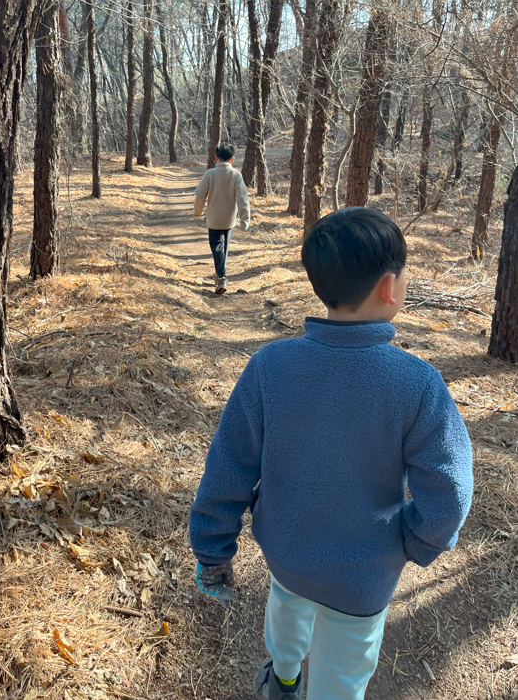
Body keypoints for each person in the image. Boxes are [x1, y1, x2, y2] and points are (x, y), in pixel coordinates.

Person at [189, 207, 473, 700]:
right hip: (363, 577)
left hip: (287, 556)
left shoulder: (270, 366)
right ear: (390, 287)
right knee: (342, 674)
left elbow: (229, 464)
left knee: (286, 621)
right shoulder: (417, 384)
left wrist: (212, 549)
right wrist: (415, 540)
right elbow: (449, 491)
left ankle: (282, 681)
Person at [193, 143, 250, 294]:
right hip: (229, 219)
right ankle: (219, 274)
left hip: (213, 219)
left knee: (217, 248)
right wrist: (245, 219)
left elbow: (200, 195)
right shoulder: (236, 175)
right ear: (232, 160)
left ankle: (222, 277)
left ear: (216, 158)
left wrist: (197, 211)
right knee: (224, 249)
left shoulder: (210, 174)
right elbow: (242, 198)